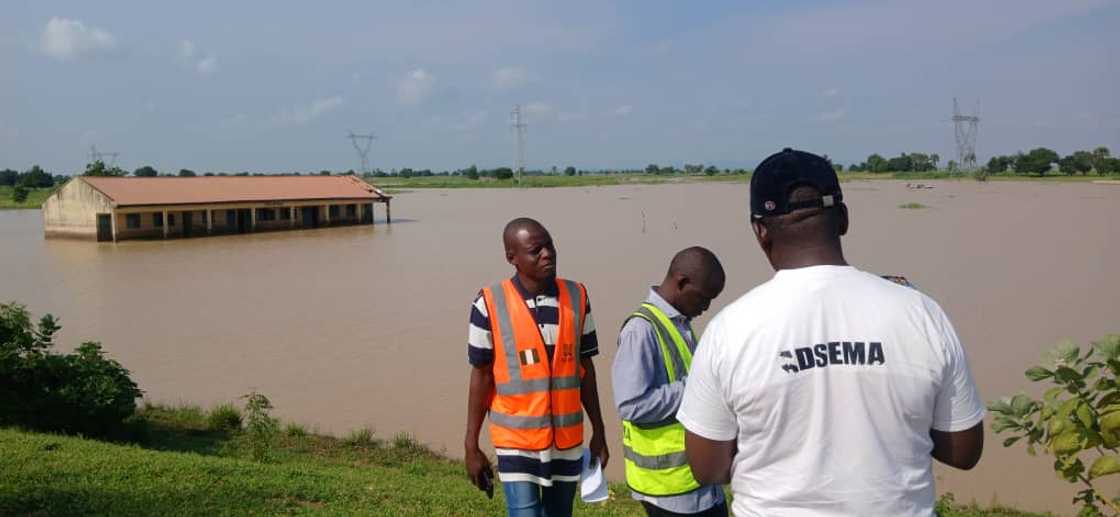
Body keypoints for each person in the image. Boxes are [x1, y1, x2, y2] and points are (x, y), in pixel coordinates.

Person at [678, 148, 985, 516]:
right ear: (843, 218)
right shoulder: (921, 313)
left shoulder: (729, 329)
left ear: (760, 231)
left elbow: (708, 468)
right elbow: (964, 452)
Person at [464, 217, 610, 517]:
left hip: (567, 441)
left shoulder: (578, 297)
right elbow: (481, 377)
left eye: (550, 245)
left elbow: (586, 369)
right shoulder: (488, 303)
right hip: (516, 441)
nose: (548, 254)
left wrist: (599, 430)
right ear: (512, 258)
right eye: (536, 250)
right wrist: (471, 445)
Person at [613, 247, 728, 517]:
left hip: (699, 481)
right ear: (682, 282)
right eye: (703, 298)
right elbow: (631, 405)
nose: (706, 307)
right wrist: (697, 387)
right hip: (670, 489)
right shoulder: (640, 330)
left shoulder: (680, 323)